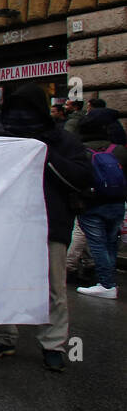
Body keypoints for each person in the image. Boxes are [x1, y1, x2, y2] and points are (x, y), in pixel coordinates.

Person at [0, 83, 92, 372]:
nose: (21, 116)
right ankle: (2, 336)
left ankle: (53, 345)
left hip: (50, 224)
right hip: (4, 224)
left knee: (53, 288)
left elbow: (80, 177)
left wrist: (42, 154)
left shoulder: (62, 141)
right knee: (3, 281)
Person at [73, 115, 125, 299]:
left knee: (97, 245)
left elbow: (76, 177)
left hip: (92, 203)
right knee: (111, 243)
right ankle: (109, 280)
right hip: (118, 202)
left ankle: (106, 284)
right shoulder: (118, 149)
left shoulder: (81, 151)